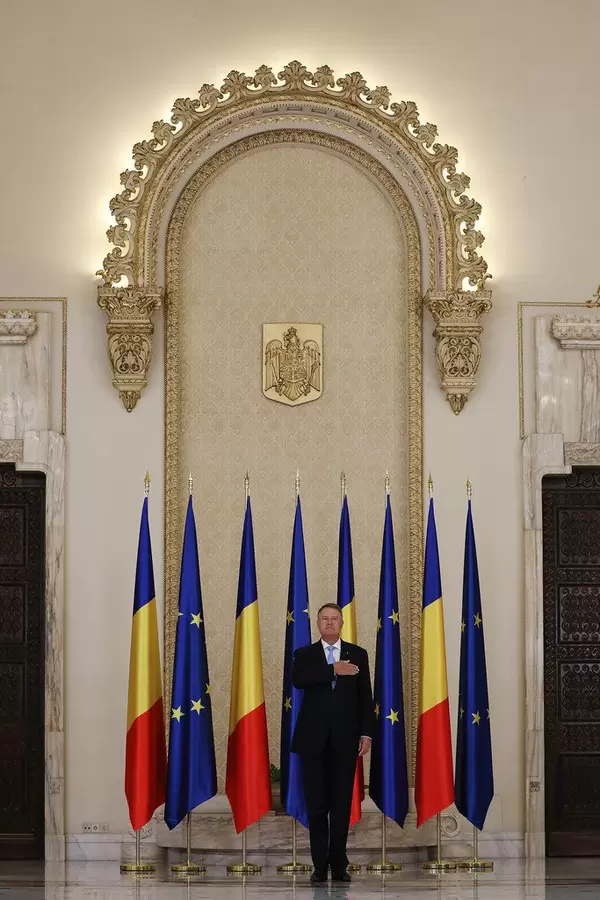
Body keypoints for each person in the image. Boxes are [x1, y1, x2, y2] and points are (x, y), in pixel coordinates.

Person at [291, 602, 374, 884]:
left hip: (346, 741)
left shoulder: (358, 654)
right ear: (317, 624)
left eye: (334, 619)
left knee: (340, 806)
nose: (329, 623)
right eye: (324, 619)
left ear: (341, 623)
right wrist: (333, 669)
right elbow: (299, 680)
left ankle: (339, 864)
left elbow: (365, 697)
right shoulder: (306, 655)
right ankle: (319, 865)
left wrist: (366, 733)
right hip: (313, 741)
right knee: (317, 807)